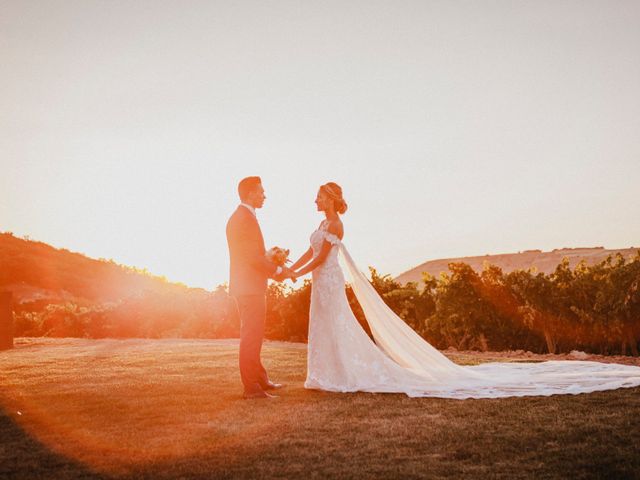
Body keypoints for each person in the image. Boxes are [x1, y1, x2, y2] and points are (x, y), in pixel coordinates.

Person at [289, 183, 640, 398]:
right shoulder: (321, 223)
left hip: (328, 280)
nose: (314, 201)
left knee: (338, 326)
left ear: (331, 199)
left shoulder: (336, 223)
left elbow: (320, 258)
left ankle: (338, 374)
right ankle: (325, 373)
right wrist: (289, 269)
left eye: (319, 196)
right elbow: (310, 252)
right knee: (325, 327)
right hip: (322, 282)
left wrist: (294, 275)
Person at [226, 176, 294, 400]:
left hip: (248, 285)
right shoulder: (243, 218)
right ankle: (252, 388)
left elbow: (253, 255)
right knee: (251, 336)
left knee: (255, 335)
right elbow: (251, 258)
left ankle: (261, 379)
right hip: (249, 287)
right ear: (250, 194)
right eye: (261, 191)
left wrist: (273, 261)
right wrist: (276, 271)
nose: (265, 195)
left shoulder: (244, 217)